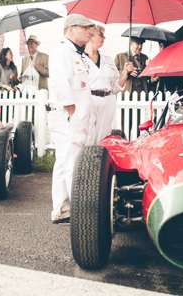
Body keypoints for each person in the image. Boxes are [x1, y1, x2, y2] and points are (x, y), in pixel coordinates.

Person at [48, 13, 95, 224]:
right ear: (71, 28)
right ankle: (77, 212)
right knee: (71, 162)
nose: (89, 31)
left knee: (64, 161)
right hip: (67, 116)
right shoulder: (61, 52)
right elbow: (60, 83)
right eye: (85, 27)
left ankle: (61, 208)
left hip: (74, 115)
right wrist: (71, 111)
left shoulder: (78, 54)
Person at [84, 25, 127, 144]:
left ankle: (99, 161)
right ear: (91, 36)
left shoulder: (108, 60)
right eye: (101, 35)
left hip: (108, 101)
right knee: (87, 136)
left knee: (104, 137)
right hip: (89, 100)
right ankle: (85, 161)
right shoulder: (80, 59)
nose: (104, 38)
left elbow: (115, 87)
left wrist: (125, 73)